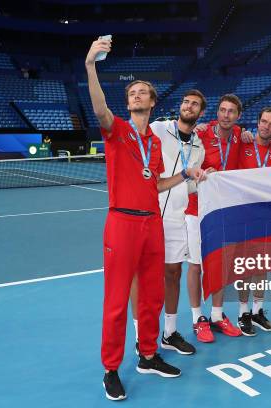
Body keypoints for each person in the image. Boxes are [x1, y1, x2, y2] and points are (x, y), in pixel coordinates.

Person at [85, 37, 205, 401]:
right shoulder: (117, 130)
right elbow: (100, 109)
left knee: (152, 295)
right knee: (118, 299)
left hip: (152, 222)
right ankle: (110, 367)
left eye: (143, 93)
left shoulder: (154, 143)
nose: (136, 95)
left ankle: (149, 354)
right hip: (122, 223)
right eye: (132, 93)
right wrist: (91, 65)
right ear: (128, 103)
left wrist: (187, 175)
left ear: (153, 102)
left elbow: (156, 185)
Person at [129, 89, 208, 356]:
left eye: (195, 104)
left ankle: (169, 332)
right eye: (186, 102)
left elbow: (191, 186)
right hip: (147, 214)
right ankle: (141, 337)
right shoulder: (159, 128)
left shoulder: (199, 146)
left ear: (200, 113)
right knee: (141, 276)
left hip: (176, 217)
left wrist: (205, 181)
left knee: (173, 273)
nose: (189, 106)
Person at [185, 94, 245, 342]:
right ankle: (198, 318)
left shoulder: (241, 135)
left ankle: (218, 316)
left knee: (221, 263)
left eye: (231, 111)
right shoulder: (201, 134)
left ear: (238, 116)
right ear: (216, 113)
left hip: (223, 210)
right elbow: (186, 168)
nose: (226, 115)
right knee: (196, 265)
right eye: (222, 110)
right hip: (196, 209)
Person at [235, 107, 271, 336]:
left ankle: (258, 311)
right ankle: (242, 312)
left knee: (262, 265)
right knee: (245, 266)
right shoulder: (242, 143)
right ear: (257, 122)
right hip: (244, 217)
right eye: (263, 121)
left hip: (269, 218)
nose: (266, 126)